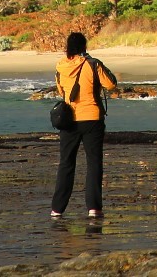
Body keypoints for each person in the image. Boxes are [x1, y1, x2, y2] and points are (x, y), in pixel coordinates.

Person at [50, 31, 119, 219]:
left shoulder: (60, 67)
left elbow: (61, 90)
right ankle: (94, 208)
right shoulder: (93, 64)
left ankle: (57, 209)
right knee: (94, 163)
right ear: (84, 46)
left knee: (66, 163)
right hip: (92, 118)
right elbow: (111, 84)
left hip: (69, 120)